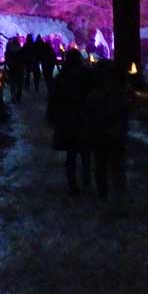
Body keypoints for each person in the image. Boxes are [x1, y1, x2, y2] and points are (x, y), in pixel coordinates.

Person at [85, 61, 130, 208]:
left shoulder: (93, 96)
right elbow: (125, 113)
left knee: (101, 164)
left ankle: (104, 193)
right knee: (115, 165)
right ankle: (117, 194)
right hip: (114, 134)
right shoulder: (119, 95)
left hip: (101, 134)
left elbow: (89, 116)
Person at [49, 50, 92, 195]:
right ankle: (86, 177)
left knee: (71, 153)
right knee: (85, 151)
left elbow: (54, 98)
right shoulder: (86, 75)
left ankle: (73, 183)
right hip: (83, 117)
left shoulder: (62, 77)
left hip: (67, 119)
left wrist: (53, 116)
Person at [4, 37, 24, 103]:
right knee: (19, 83)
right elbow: (24, 59)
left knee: (12, 83)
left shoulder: (9, 51)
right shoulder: (21, 50)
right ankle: (18, 95)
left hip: (12, 69)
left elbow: (6, 59)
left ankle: (13, 96)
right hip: (20, 69)